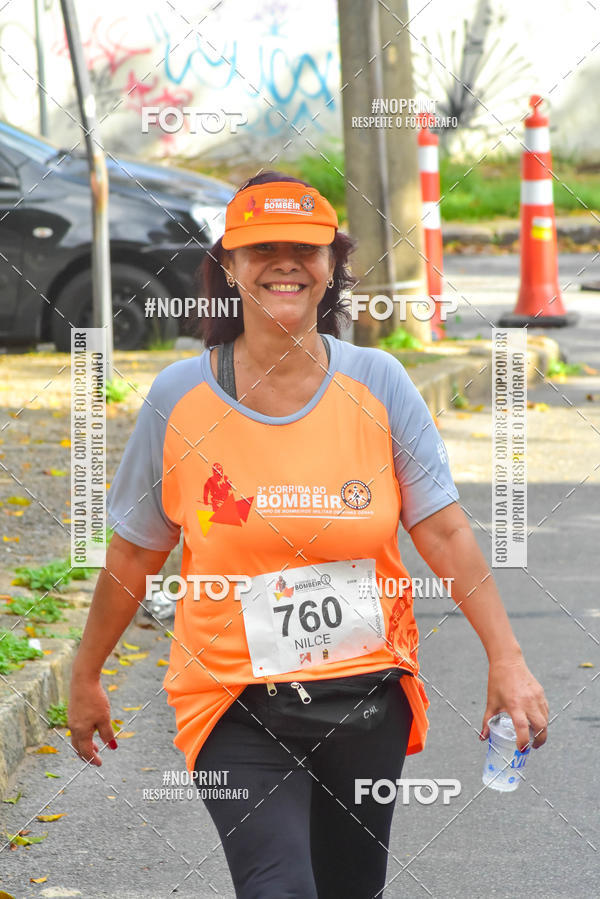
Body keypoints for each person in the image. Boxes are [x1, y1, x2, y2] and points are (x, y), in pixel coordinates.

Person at [69, 171, 548, 898]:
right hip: (232, 697)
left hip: (365, 699)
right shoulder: (178, 400)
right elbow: (135, 551)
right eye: (262, 248)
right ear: (228, 267)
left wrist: (507, 659)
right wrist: (86, 672)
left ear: (332, 268)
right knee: (279, 887)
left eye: (306, 247)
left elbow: (444, 530)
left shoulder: (379, 383)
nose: (285, 262)